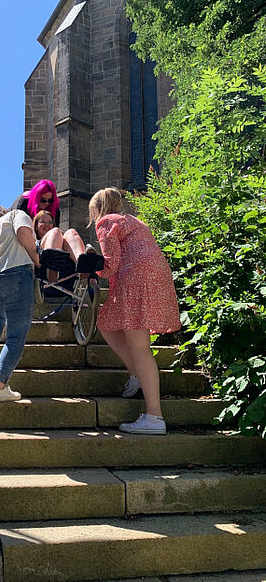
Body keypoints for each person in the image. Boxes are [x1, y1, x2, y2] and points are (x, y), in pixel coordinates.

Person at [89, 187, 181, 436]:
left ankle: (154, 416)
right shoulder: (134, 220)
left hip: (135, 277)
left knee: (140, 347)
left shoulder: (106, 221)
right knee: (107, 321)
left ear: (97, 208)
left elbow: (111, 265)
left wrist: (92, 269)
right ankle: (136, 374)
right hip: (156, 276)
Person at [0, 204, 41, 401]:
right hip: (15, 272)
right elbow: (23, 231)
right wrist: (36, 258)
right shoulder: (16, 215)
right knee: (15, 335)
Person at [33, 210, 103, 281]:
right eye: (43, 222)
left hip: (67, 267)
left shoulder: (62, 237)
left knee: (71, 232)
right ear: (36, 226)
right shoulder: (33, 242)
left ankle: (82, 263)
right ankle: (52, 265)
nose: (46, 225)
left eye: (50, 222)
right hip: (43, 264)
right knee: (56, 231)